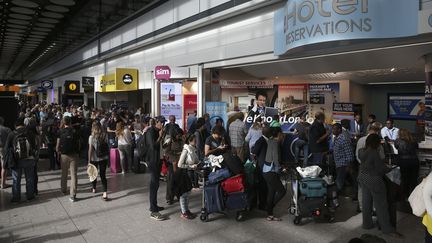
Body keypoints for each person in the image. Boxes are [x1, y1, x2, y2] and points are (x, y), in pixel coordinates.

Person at [358, 134, 402, 238]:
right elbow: (380, 169)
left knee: (366, 202)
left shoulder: (361, 151)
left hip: (362, 177)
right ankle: (387, 229)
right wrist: (390, 168)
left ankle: (367, 224)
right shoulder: (374, 152)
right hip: (374, 179)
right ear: (376, 143)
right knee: (381, 205)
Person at [4, 117, 36, 202]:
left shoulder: (12, 134)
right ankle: (30, 196)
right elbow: (34, 146)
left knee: (16, 179)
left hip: (16, 160)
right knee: (29, 178)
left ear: (15, 126)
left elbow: (6, 148)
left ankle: (16, 198)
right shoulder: (29, 133)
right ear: (23, 124)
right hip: (29, 159)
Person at [262, 126, 286, 221]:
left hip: (266, 170)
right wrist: (281, 168)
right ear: (279, 134)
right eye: (282, 134)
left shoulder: (270, 141)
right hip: (271, 172)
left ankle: (270, 214)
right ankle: (269, 208)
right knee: (282, 191)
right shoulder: (276, 143)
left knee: (271, 192)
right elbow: (276, 159)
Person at [145, 117, 167, 221]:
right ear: (156, 122)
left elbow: (160, 147)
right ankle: (153, 210)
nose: (162, 124)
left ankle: (154, 205)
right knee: (153, 184)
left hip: (158, 160)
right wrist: (160, 136)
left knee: (156, 184)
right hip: (152, 161)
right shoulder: (150, 131)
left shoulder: (158, 131)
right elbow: (153, 146)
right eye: (161, 123)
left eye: (164, 123)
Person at [175, 134, 199, 219]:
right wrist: (191, 166)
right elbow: (179, 164)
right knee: (184, 194)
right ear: (190, 141)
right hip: (183, 174)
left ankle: (186, 210)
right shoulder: (186, 150)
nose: (196, 141)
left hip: (188, 173)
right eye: (194, 140)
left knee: (187, 193)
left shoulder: (193, 149)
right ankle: (184, 211)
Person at [57, 116, 79, 202]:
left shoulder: (60, 131)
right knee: (74, 175)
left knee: (64, 173)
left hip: (64, 155)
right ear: (70, 122)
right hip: (73, 155)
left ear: (63, 122)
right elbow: (78, 143)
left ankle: (63, 189)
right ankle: (73, 195)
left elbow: (58, 145)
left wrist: (58, 152)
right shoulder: (74, 131)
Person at [394, 128, 419, 199]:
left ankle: (405, 196)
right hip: (414, 162)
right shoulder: (413, 140)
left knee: (405, 180)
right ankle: (414, 196)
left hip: (403, 162)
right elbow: (416, 148)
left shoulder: (397, 141)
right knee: (414, 180)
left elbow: (396, 147)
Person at [88, 122, 109, 200]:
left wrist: (89, 160)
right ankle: (105, 193)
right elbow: (107, 146)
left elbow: (90, 150)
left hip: (94, 158)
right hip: (104, 158)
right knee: (103, 176)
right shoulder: (105, 135)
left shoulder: (91, 137)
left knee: (94, 174)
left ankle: (94, 188)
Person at [332, 123, 354, 192]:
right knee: (342, 181)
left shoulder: (343, 139)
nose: (332, 130)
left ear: (339, 130)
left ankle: (337, 196)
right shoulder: (337, 138)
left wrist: (348, 166)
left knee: (339, 181)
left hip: (343, 165)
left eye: (334, 129)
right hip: (338, 164)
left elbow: (349, 154)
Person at [0, 116, 12, 189]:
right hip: (3, 148)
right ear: (2, 122)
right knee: (4, 166)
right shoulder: (7, 129)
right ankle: (3, 184)